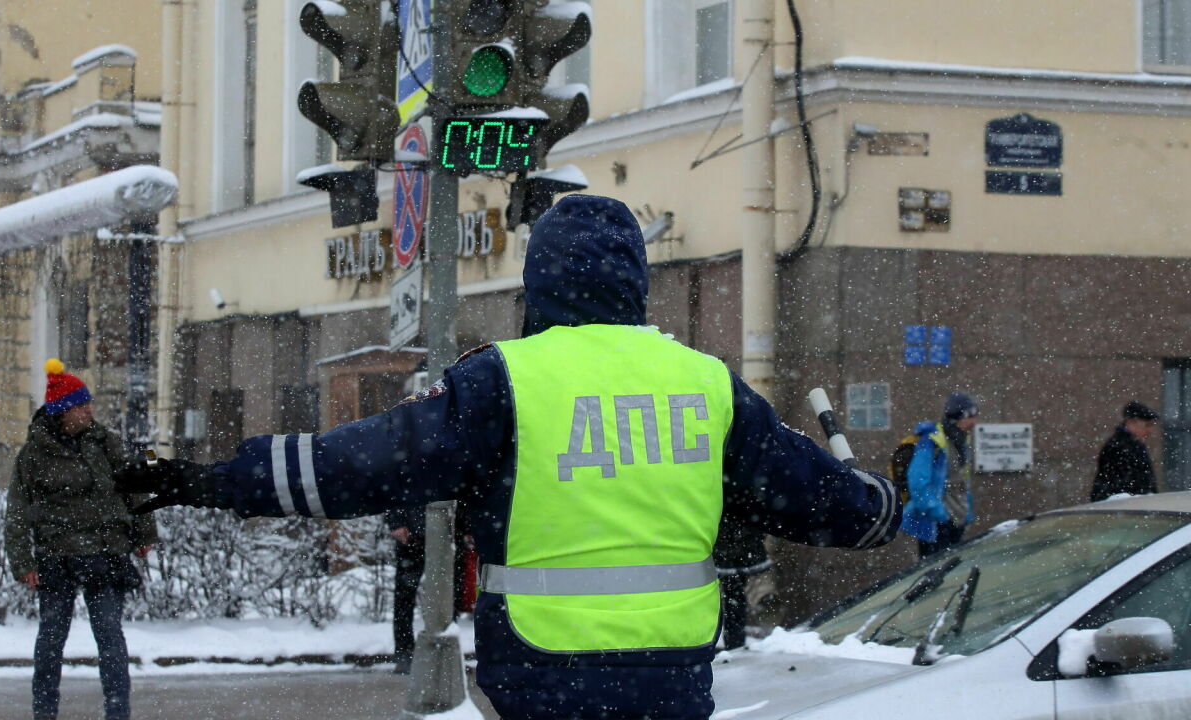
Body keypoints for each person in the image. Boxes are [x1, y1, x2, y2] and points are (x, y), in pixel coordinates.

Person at [115, 194, 900, 720]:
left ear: (539, 283)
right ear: (635, 281)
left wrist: (211, 480)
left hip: (541, 673)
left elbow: (361, 463)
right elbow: (824, 501)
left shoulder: (505, 381)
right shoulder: (707, 385)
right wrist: (880, 507)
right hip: (672, 678)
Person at [5, 359, 157, 720]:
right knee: (51, 641)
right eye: (81, 405)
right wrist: (23, 562)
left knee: (110, 638)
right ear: (61, 411)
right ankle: (45, 713)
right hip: (56, 557)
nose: (89, 411)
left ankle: (118, 713)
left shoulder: (106, 443)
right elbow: (17, 511)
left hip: (106, 555)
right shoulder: (33, 455)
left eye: (88, 404)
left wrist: (144, 533)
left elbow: (137, 484)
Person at [386, 504, 473, 674]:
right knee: (405, 597)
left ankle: (447, 652)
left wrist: (467, 526)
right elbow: (394, 486)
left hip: (449, 534)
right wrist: (396, 522)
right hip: (415, 534)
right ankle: (405, 654)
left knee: (449, 599)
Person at [901, 391, 978, 558]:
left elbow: (962, 481)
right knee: (934, 573)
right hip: (937, 523)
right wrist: (938, 513)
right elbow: (918, 482)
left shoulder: (962, 441)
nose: (974, 422)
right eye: (970, 416)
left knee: (952, 573)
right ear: (956, 417)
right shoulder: (931, 441)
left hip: (957, 520)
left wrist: (966, 512)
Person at [712, 512, 770, 651]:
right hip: (742, 543)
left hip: (727, 545)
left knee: (732, 593)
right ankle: (735, 640)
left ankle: (733, 640)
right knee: (736, 594)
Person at [1091, 400, 1160, 502]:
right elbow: (1122, 486)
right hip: (1124, 509)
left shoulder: (1133, 445)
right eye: (1147, 425)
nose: (1150, 431)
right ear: (1131, 423)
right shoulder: (1118, 447)